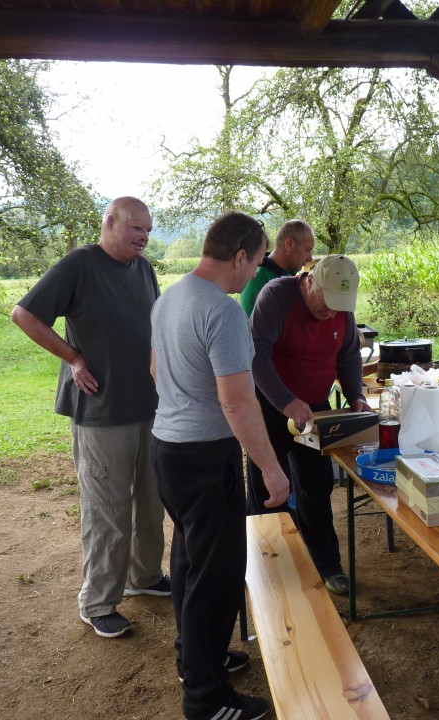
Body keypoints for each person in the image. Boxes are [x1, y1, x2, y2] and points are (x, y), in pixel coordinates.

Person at [150, 211, 290, 720]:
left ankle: (196, 661)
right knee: (219, 577)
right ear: (238, 256)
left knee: (189, 562)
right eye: (255, 263)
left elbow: (155, 368)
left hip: (167, 449)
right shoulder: (223, 312)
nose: (254, 273)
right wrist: (271, 470)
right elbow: (237, 402)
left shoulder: (170, 297)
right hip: (206, 458)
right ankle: (205, 701)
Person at [11, 197, 169, 640]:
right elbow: (23, 314)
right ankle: (98, 601)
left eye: (148, 231)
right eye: (135, 228)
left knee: (151, 500)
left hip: (149, 406)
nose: (143, 237)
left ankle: (146, 576)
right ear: (110, 222)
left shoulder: (145, 270)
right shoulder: (80, 263)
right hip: (101, 411)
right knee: (108, 509)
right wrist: (73, 357)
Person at [247, 254, 371, 596]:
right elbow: (256, 354)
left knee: (316, 487)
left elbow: (348, 355)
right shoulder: (276, 296)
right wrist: (285, 401)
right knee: (267, 489)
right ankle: (264, 567)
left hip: (316, 410)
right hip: (271, 406)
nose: (332, 312)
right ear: (311, 280)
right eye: (327, 302)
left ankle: (327, 564)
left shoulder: (341, 310)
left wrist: (355, 394)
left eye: (340, 306)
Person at [239, 219, 315, 316]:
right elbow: (253, 328)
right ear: (289, 244)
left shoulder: (287, 275)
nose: (310, 258)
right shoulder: (259, 278)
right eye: (307, 250)